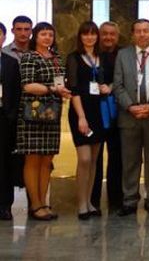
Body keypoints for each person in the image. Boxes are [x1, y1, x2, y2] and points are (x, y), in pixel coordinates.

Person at [16, 22, 72, 221]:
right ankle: (35, 204)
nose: (47, 37)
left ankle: (44, 202)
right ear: (36, 37)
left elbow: (61, 81)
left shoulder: (56, 58)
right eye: (43, 34)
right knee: (33, 159)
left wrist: (62, 90)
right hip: (32, 114)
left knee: (47, 160)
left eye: (50, 34)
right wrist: (52, 89)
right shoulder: (30, 57)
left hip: (52, 114)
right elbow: (28, 86)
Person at [113, 19, 149, 217]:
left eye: (145, 31)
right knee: (130, 160)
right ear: (132, 34)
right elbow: (118, 85)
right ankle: (129, 199)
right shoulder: (123, 55)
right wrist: (131, 106)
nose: (142, 34)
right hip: (129, 116)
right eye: (138, 31)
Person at [66, 21, 107, 220]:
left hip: (98, 111)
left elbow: (108, 81)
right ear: (80, 37)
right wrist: (81, 117)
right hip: (80, 111)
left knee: (94, 160)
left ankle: (90, 201)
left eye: (93, 34)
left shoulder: (102, 57)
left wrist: (108, 87)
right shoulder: (73, 58)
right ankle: (81, 203)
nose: (89, 37)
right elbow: (73, 90)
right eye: (85, 34)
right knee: (84, 159)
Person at [91, 21, 123, 211]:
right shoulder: (92, 54)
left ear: (117, 36)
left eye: (112, 34)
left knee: (116, 156)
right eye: (104, 33)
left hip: (117, 112)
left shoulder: (123, 54)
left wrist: (111, 88)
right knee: (94, 156)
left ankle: (116, 199)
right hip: (94, 111)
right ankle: (93, 198)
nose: (108, 37)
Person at [0, 22, 21, 220]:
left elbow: (16, 92)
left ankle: (4, 205)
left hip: (4, 118)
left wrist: (11, 115)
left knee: (4, 162)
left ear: (4, 37)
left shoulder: (10, 62)